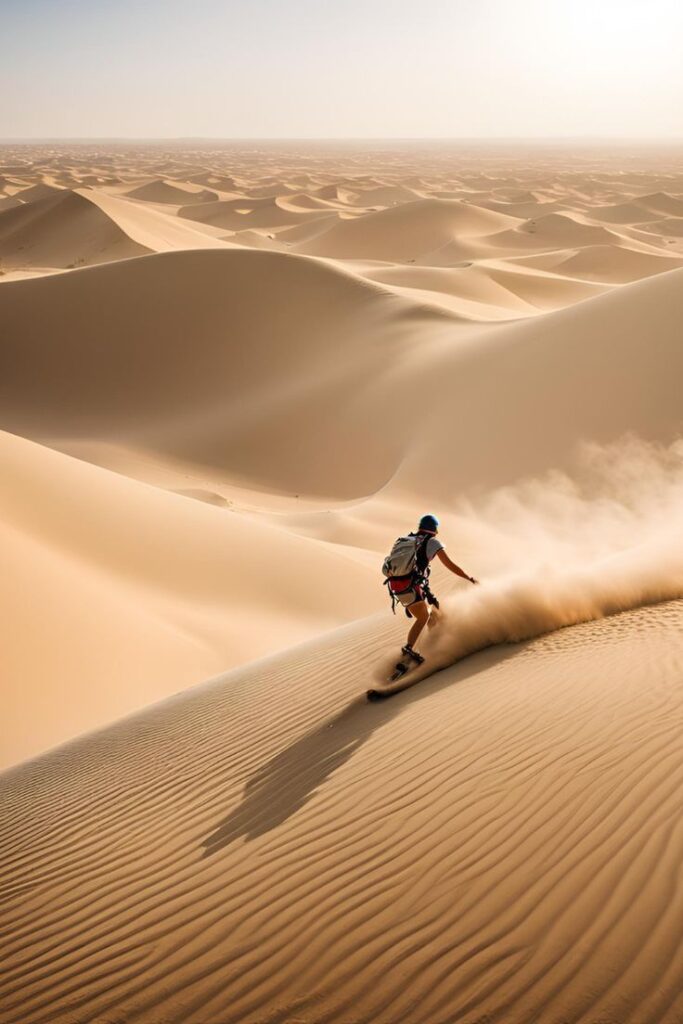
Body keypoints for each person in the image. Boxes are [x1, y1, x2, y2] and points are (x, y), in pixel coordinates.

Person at [388, 514, 478, 665]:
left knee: (434, 615)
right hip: (411, 585)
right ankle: (408, 649)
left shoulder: (405, 540)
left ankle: (430, 648)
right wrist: (469, 578)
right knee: (424, 616)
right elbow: (450, 565)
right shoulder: (432, 542)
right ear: (435, 529)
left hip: (397, 585)